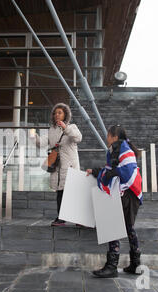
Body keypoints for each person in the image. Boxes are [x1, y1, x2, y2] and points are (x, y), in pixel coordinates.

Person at [86, 124, 143, 278]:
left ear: (114, 137)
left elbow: (127, 169)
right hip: (130, 194)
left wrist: (111, 173)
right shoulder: (117, 149)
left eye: (108, 135)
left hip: (127, 194)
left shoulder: (123, 149)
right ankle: (135, 265)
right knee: (128, 228)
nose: (107, 138)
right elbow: (111, 169)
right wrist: (97, 172)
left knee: (114, 225)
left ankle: (112, 266)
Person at [31, 103, 82, 227]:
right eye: (55, 113)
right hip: (57, 166)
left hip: (70, 166)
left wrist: (66, 128)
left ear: (65, 114)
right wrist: (34, 137)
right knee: (60, 192)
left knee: (73, 192)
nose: (56, 115)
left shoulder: (72, 127)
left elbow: (78, 138)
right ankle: (61, 218)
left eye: (59, 112)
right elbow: (41, 143)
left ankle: (79, 219)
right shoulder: (51, 130)